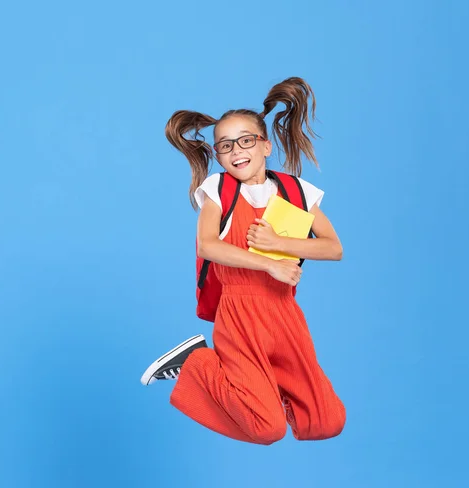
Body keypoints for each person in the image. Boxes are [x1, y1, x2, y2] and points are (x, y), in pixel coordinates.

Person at [141, 77, 346, 445]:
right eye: (225, 145)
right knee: (266, 428)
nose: (236, 150)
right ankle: (198, 363)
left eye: (246, 140)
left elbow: (334, 247)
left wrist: (278, 242)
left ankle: (261, 390)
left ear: (266, 145)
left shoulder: (298, 191)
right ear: (218, 155)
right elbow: (207, 246)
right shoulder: (218, 191)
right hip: (240, 313)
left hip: (285, 314)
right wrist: (268, 262)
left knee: (325, 421)